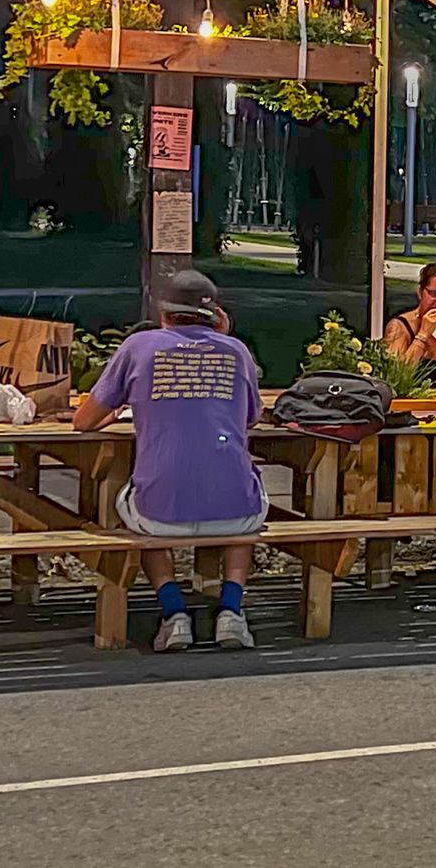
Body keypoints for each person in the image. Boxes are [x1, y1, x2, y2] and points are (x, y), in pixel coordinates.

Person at [73, 269, 266, 652]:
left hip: (159, 514)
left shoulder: (138, 346)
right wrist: (222, 342)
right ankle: (231, 611)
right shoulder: (237, 352)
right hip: (235, 511)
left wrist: (118, 411)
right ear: (216, 316)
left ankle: (174, 613)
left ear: (164, 313)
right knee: (245, 489)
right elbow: (251, 417)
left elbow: (83, 422)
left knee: (138, 499)